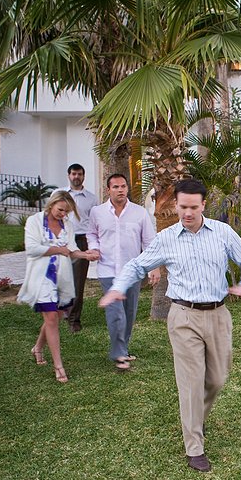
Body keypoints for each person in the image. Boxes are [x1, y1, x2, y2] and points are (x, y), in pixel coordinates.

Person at [99, 179, 241, 473]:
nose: (187, 212)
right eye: (182, 206)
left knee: (217, 379)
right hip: (183, 316)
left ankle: (197, 418)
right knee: (191, 382)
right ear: (175, 204)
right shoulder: (166, 238)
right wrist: (118, 287)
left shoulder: (222, 232)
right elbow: (137, 265)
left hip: (218, 314)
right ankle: (194, 447)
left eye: (193, 207)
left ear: (203, 205)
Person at [18, 191, 99, 383]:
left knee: (56, 316)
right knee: (52, 318)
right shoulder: (35, 221)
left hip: (61, 277)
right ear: (52, 204)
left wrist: (85, 255)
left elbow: (70, 249)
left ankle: (38, 347)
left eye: (67, 212)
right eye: (61, 210)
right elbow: (32, 249)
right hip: (41, 278)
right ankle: (58, 366)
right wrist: (57, 249)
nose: (63, 214)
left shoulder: (67, 225)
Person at [87, 174, 160, 371]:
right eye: (116, 187)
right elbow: (91, 233)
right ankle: (119, 353)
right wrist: (94, 248)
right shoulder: (97, 212)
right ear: (108, 190)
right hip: (107, 270)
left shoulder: (139, 213)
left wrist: (154, 266)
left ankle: (123, 348)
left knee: (129, 312)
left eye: (123, 186)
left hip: (133, 271)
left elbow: (149, 242)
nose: (120, 190)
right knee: (116, 312)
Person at [64, 163, 98, 333]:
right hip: (62, 241)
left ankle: (74, 320)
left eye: (79, 174)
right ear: (69, 175)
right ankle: (64, 310)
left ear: (84, 176)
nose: (76, 177)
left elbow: (94, 223)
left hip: (81, 241)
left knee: (78, 283)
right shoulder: (60, 195)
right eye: (73, 174)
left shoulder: (92, 199)